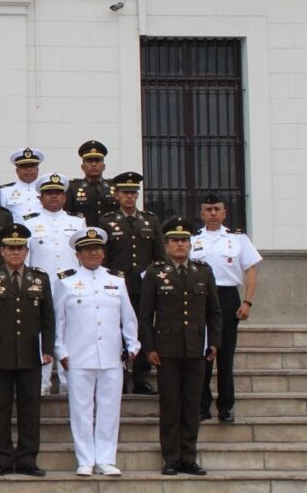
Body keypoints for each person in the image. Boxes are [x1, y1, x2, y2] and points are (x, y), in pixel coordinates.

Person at [53, 227, 139, 477]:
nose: (93, 253)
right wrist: (61, 351)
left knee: (109, 408)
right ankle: (85, 459)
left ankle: (106, 458)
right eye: (87, 250)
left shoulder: (116, 281)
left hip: (111, 355)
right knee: (81, 409)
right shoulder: (66, 282)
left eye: (97, 249)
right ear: (77, 254)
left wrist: (132, 345)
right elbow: (59, 320)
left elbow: (128, 318)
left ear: (103, 253)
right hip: (78, 356)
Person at [140, 216, 221, 477]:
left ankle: (189, 457)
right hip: (166, 348)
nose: (180, 245)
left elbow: (214, 312)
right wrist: (150, 347)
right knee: (171, 404)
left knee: (192, 403)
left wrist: (215, 342)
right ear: (166, 245)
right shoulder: (154, 273)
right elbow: (145, 315)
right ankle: (171, 458)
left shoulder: (203, 271)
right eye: (175, 241)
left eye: (184, 241)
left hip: (195, 347)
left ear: (190, 244)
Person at [0, 223, 54, 477]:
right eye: (11, 248)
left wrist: (48, 348)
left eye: (20, 248)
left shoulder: (40, 278)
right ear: (2, 251)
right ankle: (3, 458)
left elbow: (48, 318)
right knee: (0, 408)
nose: (16, 252)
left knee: (30, 407)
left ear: (27, 250)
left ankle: (28, 458)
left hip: (31, 351)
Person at [195, 194, 262, 423]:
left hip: (227, 297)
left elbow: (251, 270)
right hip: (200, 299)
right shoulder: (192, 239)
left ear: (224, 213)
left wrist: (247, 302)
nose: (213, 213)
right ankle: (202, 406)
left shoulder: (238, 239)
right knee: (202, 353)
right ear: (201, 213)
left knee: (225, 355)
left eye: (217, 209)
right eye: (208, 209)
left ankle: (226, 406)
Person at [100, 171, 163, 395]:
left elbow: (159, 256)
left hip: (143, 286)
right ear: (116, 195)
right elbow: (104, 256)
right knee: (116, 330)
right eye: (125, 193)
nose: (129, 197)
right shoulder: (107, 221)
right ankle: (119, 376)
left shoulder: (150, 220)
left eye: (133, 193)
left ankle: (140, 378)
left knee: (143, 329)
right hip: (116, 285)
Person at [24, 172, 84, 395]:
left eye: (58, 193)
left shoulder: (77, 221)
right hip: (42, 284)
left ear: (64, 197)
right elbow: (26, 255)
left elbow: (81, 253)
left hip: (70, 285)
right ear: (40, 198)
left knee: (69, 331)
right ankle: (43, 382)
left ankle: (68, 382)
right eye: (48, 193)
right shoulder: (30, 221)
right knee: (42, 331)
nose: (53, 197)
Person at [65, 140, 118, 226]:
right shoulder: (72, 188)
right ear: (82, 167)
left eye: (97, 161)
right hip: (84, 236)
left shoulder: (115, 187)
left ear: (104, 166)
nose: (94, 164)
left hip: (110, 236)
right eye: (89, 161)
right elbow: (67, 216)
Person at [0, 148, 44, 223]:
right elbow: (1, 217)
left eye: (32, 166)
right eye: (24, 166)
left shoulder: (45, 190)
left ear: (37, 169)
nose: (28, 169)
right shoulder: (5, 191)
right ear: (17, 171)